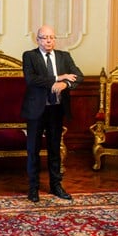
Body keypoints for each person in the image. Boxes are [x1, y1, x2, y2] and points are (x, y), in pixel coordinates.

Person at [20, 25, 83, 202]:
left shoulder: (64, 56)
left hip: (56, 109)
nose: (48, 40)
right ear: (37, 39)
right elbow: (31, 79)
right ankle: (33, 188)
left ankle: (56, 186)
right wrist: (58, 78)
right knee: (33, 149)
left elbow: (79, 75)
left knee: (54, 149)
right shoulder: (29, 56)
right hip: (36, 111)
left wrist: (66, 84)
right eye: (44, 37)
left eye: (51, 37)